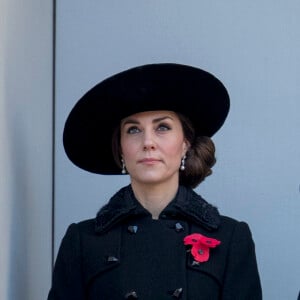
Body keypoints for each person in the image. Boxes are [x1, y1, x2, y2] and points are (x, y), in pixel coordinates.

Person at [48, 63, 262, 299]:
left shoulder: (231, 238)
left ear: (185, 144)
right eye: (133, 130)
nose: (148, 142)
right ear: (120, 149)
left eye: (162, 127)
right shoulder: (82, 241)